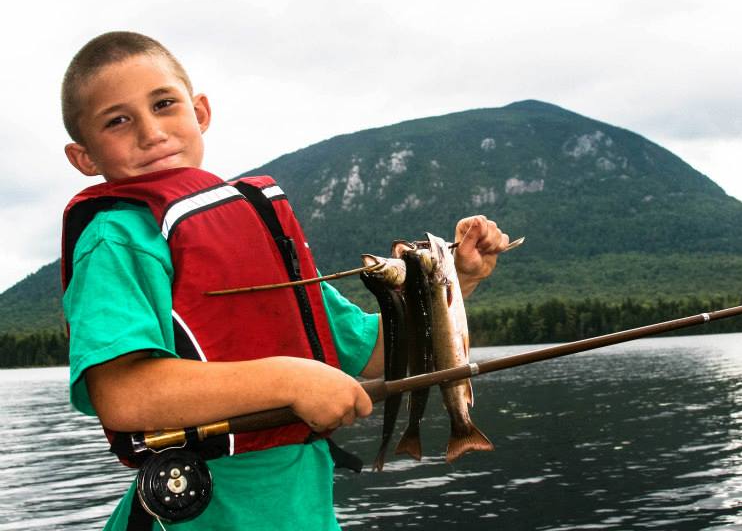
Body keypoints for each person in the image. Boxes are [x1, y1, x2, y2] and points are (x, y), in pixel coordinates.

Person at [59, 31, 510, 530]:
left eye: (164, 104)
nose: (151, 132)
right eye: (118, 121)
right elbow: (123, 395)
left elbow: (377, 352)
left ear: (200, 112)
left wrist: (455, 287)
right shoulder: (115, 238)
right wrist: (291, 380)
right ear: (84, 158)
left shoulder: (256, 228)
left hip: (303, 510)